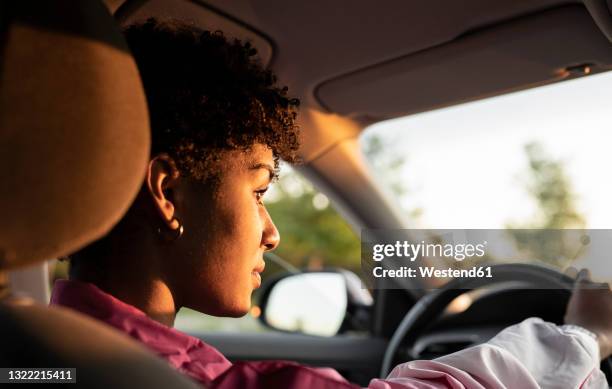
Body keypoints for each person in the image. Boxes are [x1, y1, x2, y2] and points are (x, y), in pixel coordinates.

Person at [51, 19, 611, 388]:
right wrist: (586, 337)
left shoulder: (39, 353)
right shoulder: (183, 380)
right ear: (169, 193)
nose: (272, 234)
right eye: (259, 191)